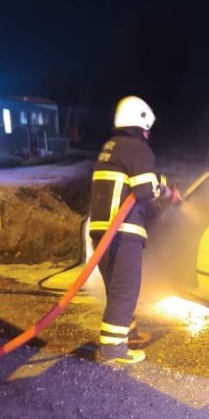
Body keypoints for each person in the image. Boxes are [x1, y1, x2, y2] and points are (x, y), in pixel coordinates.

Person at [88, 96, 178, 364]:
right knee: (126, 290)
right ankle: (113, 349)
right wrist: (166, 194)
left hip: (100, 231)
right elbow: (144, 189)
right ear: (141, 122)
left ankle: (127, 332)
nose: (148, 134)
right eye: (148, 128)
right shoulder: (138, 149)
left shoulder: (112, 147)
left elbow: (140, 179)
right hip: (123, 231)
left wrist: (164, 186)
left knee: (117, 289)